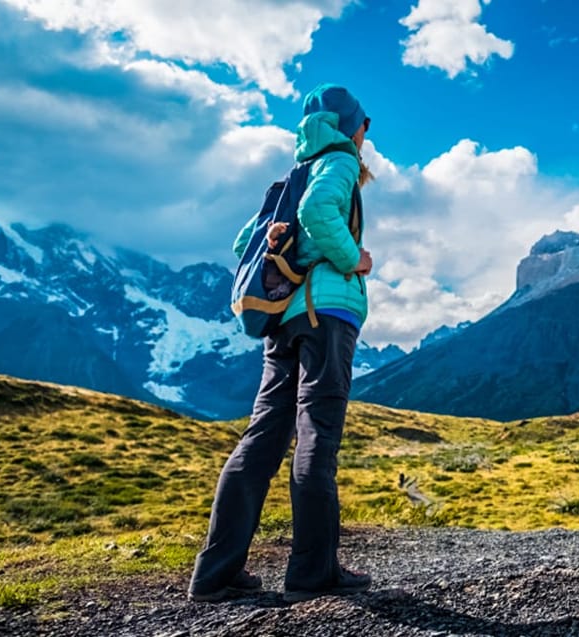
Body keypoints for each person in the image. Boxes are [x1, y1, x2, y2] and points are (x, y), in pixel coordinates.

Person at [188, 83, 374, 604]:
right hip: (325, 313)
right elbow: (319, 212)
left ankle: (216, 572)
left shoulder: (292, 176)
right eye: (364, 123)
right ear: (348, 127)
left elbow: (243, 240)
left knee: (263, 437)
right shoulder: (337, 162)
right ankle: (313, 571)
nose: (366, 133)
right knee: (317, 432)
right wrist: (352, 258)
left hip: (283, 321)